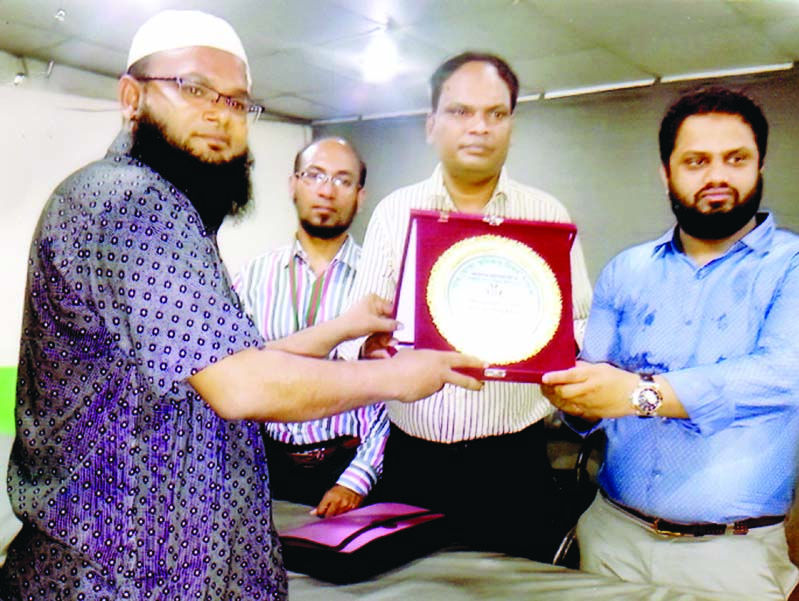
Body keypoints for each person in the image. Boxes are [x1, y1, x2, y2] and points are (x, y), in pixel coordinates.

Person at [0, 10, 483, 599]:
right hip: (122, 577)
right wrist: (394, 376)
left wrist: (343, 329)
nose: (219, 114)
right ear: (132, 97)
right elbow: (243, 385)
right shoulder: (133, 201)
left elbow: (223, 362)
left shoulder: (161, 209)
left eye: (236, 102)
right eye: (193, 88)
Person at [541, 87, 799, 599]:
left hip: (729, 557)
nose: (717, 177)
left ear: (760, 165)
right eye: (695, 161)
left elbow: (776, 378)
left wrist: (637, 394)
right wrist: (569, 396)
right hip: (611, 538)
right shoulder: (627, 269)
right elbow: (593, 391)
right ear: (667, 172)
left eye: (736, 159)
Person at [341, 51, 594, 562]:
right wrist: (371, 348)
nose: (479, 127)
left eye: (495, 114)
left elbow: (580, 324)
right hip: (413, 461)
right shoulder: (396, 213)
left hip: (513, 464)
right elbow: (357, 332)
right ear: (431, 124)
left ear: (511, 126)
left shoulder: (545, 214)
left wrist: (560, 359)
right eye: (460, 112)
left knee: (518, 595)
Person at [232, 137, 389, 518]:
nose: (326, 190)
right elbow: (236, 375)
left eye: (343, 180)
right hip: (267, 468)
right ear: (293, 184)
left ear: (360, 196)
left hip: (351, 468)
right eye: (315, 175)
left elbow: (391, 394)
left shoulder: (382, 279)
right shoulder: (252, 278)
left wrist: (356, 479)